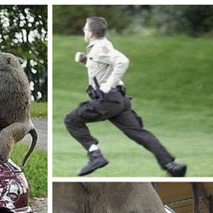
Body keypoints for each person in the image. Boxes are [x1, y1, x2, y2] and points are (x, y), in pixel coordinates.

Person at [64, 16, 187, 177]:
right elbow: (101, 68)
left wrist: (107, 86)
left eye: (85, 29)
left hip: (107, 101)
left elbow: (122, 61)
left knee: (71, 120)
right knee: (140, 134)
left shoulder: (100, 47)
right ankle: (171, 165)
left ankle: (96, 155)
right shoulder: (99, 47)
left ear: (92, 33)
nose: (84, 32)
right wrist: (85, 60)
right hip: (119, 101)